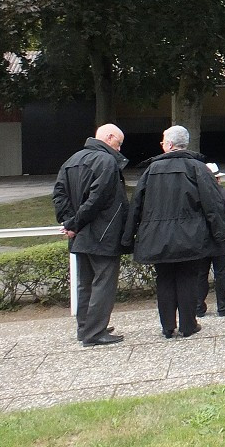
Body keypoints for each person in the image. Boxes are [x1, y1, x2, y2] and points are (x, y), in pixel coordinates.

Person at [122, 126, 225, 339]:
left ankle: (167, 326)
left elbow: (136, 206)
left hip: (157, 237)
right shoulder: (198, 168)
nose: (161, 145)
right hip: (191, 236)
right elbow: (213, 205)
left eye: (163, 142)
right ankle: (189, 325)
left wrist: (127, 238)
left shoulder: (150, 171)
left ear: (169, 145)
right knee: (188, 278)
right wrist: (220, 236)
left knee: (164, 279)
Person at [53, 124, 130, 347]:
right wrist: (75, 222)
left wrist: (69, 223)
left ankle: (85, 327)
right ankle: (95, 332)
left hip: (80, 234)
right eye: (119, 142)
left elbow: (59, 194)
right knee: (103, 283)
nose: (120, 147)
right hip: (103, 233)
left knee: (84, 283)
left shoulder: (71, 160)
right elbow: (99, 198)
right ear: (110, 137)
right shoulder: (107, 162)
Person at [197, 163, 225, 318]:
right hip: (220, 240)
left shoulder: (196, 194)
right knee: (221, 274)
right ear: (217, 179)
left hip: (200, 241)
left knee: (201, 274)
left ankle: (198, 307)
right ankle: (223, 306)